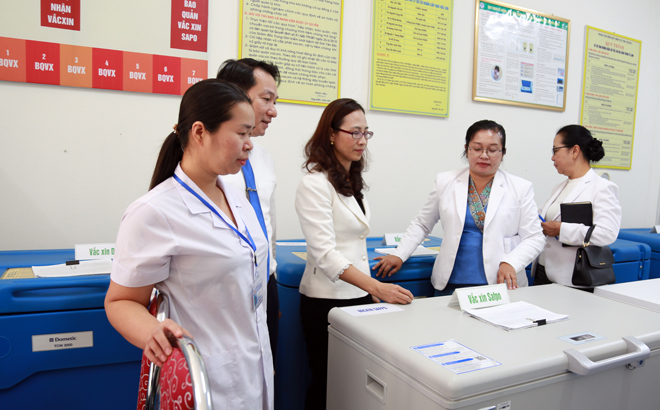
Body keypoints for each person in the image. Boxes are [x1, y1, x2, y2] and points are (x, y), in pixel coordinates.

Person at [104, 79, 273, 410]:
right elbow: (121, 301)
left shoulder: (236, 197)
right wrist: (151, 331)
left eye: (250, 134)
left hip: (255, 367)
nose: (249, 144)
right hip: (206, 378)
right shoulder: (154, 212)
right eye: (241, 133)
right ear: (199, 132)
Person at [295, 98, 413, 410]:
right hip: (326, 300)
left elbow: (356, 244)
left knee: (354, 382)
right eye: (355, 132)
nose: (362, 141)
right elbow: (325, 253)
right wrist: (376, 286)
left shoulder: (350, 181)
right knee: (326, 381)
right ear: (331, 134)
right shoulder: (314, 184)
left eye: (366, 133)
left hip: (358, 294)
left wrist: (368, 290)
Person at [374, 120, 545, 295]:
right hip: (450, 279)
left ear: (503, 153)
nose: (484, 155)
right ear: (467, 149)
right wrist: (399, 254)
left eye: (492, 150)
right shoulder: (446, 181)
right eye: (477, 148)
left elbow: (534, 237)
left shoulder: (520, 187)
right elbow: (422, 224)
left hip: (499, 282)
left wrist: (511, 263)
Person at [217, 58, 281, 361]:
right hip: (226, 283)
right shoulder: (208, 162)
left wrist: (271, 273)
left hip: (265, 281)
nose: (273, 111)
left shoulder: (264, 159)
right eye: (265, 99)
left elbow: (269, 223)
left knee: (266, 369)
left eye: (275, 101)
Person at [534, 124, 621, 290]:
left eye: (555, 151)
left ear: (574, 151)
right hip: (544, 271)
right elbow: (539, 215)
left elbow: (607, 233)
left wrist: (561, 229)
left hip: (573, 277)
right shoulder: (559, 187)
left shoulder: (602, 187)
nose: (552, 158)